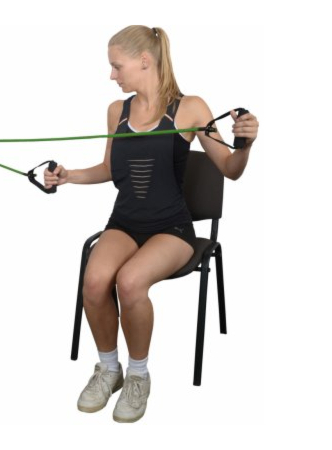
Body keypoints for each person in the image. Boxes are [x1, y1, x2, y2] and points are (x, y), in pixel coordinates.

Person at [44, 25, 259, 423]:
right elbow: (111, 169)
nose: (112, 75)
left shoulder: (190, 108)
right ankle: (109, 369)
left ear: (144, 61)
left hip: (171, 228)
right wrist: (69, 176)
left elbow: (230, 169)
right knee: (94, 281)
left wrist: (244, 144)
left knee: (129, 282)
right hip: (124, 222)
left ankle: (139, 375)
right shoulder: (117, 111)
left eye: (117, 66)